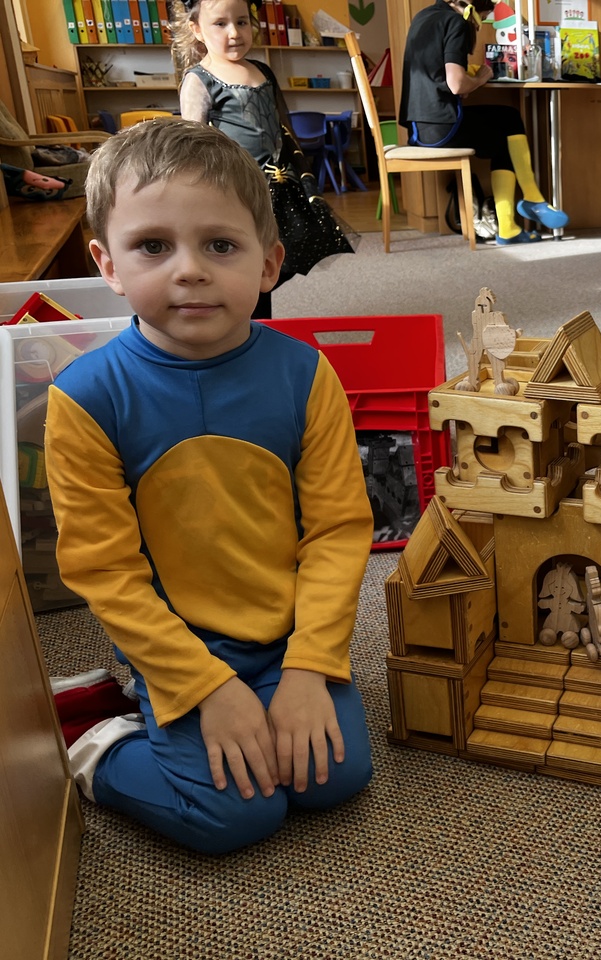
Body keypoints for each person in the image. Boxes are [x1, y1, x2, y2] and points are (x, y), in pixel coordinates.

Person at [45, 119, 375, 856]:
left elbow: (337, 530)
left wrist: (309, 666)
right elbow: (105, 569)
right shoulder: (85, 397)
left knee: (333, 776)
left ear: (269, 264)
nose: (189, 270)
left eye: (220, 246)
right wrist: (202, 686)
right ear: (107, 264)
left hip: (284, 637)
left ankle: (200, 702)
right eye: (152, 246)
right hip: (177, 646)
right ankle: (100, 738)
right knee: (234, 815)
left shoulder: (305, 374)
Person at [172, 0, 354, 319]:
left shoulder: (262, 71)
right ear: (196, 29)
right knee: (246, 259)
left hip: (280, 185)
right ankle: (245, 319)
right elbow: (194, 146)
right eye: (220, 24)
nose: (234, 32)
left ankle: (255, 313)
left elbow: (283, 125)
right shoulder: (200, 79)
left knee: (277, 257)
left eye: (242, 22)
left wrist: (299, 172)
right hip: (236, 190)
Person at [400, 0, 569, 245]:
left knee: (503, 134)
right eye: (484, 18)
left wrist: (465, 84)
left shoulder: (423, 16)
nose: (479, 26)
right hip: (441, 128)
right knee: (509, 122)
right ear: (474, 11)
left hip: (418, 128)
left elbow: (436, 76)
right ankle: (527, 205)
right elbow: (456, 84)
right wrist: (480, 78)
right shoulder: (456, 22)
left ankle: (517, 219)